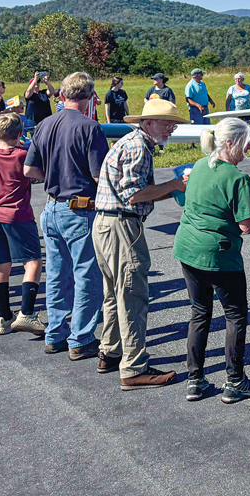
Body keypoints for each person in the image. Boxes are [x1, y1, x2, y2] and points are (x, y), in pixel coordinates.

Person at [95, 99, 186, 391]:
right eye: (165, 122)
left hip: (107, 224)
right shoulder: (138, 147)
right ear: (147, 123)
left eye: (173, 124)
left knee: (114, 292)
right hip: (122, 225)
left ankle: (110, 352)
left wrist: (168, 188)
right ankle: (133, 368)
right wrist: (174, 185)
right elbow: (134, 195)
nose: (170, 128)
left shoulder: (133, 143)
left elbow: (133, 193)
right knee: (133, 294)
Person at [173, 118, 250, 403]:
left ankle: (194, 379)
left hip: (187, 247)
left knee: (200, 313)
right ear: (230, 143)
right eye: (245, 143)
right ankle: (235, 380)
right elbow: (248, 225)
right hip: (219, 253)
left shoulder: (199, 166)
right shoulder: (237, 178)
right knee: (235, 314)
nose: (248, 148)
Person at [24, 71, 109, 358]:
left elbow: (29, 170)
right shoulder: (91, 127)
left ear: (62, 96)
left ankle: (55, 333)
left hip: (51, 206)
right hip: (81, 209)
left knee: (58, 275)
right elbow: (100, 176)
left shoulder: (44, 124)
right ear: (91, 97)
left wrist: (53, 175)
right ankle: (81, 338)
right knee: (86, 275)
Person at [0, 113, 46, 336]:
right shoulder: (23, 155)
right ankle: (26, 313)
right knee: (33, 262)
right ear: (20, 134)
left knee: (1, 265)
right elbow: (38, 175)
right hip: (18, 215)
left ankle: (4, 317)